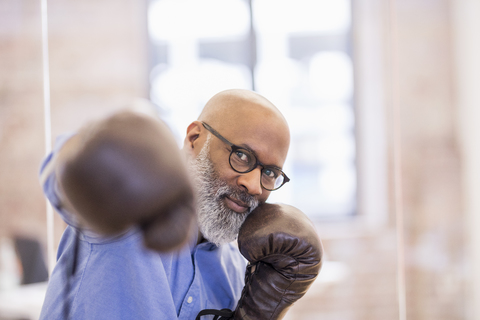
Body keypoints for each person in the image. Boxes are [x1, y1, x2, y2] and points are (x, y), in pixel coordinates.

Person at [39, 89, 293, 320]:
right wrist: (113, 153)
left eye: (269, 173)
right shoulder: (127, 213)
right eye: (241, 155)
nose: (255, 185)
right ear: (194, 139)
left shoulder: (238, 272)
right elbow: (59, 173)